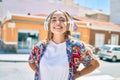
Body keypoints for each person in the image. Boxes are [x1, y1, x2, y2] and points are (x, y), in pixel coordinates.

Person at [28, 10, 100, 80]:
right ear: (49, 25)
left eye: (62, 20)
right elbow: (31, 61)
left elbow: (95, 64)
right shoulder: (40, 46)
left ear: (68, 25)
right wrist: (39, 71)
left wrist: (76, 75)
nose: (58, 23)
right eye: (53, 20)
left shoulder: (76, 47)